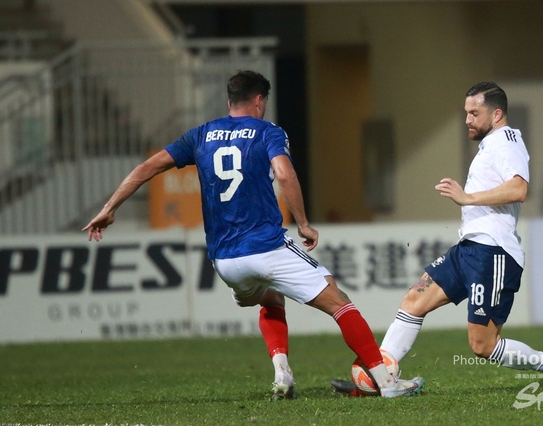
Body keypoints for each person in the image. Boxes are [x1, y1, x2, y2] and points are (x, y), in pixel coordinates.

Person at [82, 70, 424, 400]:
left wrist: (109, 208)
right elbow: (284, 173)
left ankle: (282, 373)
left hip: (225, 261)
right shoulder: (267, 132)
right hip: (267, 247)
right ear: (259, 100)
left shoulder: (200, 135)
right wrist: (303, 223)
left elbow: (147, 168)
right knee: (340, 302)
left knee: (270, 298)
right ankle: (386, 382)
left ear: (230, 100)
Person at [331, 82, 543, 397]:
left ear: (496, 114)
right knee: (414, 301)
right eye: (466, 113)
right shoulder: (491, 144)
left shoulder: (506, 142)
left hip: (493, 253)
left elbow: (519, 189)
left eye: (474, 113)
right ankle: (383, 380)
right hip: (468, 249)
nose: (467, 120)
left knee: (482, 345)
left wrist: (467, 197)